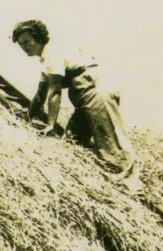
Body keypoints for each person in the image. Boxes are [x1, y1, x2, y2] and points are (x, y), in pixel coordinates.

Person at [12, 19, 144, 196]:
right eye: (21, 44)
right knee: (73, 141)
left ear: (38, 38)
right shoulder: (45, 61)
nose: (24, 47)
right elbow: (40, 94)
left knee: (110, 144)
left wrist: (51, 124)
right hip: (85, 98)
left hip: (96, 93)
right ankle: (96, 185)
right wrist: (27, 116)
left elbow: (55, 91)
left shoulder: (52, 54)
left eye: (27, 41)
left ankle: (132, 190)